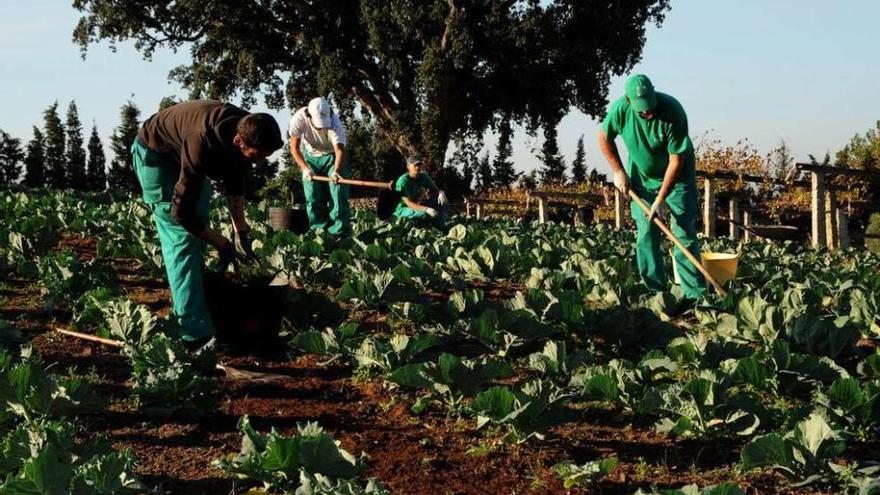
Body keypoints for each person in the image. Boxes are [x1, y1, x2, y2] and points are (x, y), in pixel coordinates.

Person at [132, 100, 284, 346]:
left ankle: (202, 302)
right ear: (239, 142)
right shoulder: (201, 141)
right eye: (257, 156)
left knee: (200, 220)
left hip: (185, 152)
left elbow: (235, 179)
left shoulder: (249, 126)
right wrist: (221, 241)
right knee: (183, 240)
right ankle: (193, 334)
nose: (261, 162)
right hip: (155, 153)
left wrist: (240, 231)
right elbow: (180, 214)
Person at [597, 74, 706, 299]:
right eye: (641, 109)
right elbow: (603, 138)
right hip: (641, 177)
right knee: (646, 232)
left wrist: (660, 199)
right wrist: (618, 171)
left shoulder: (673, 110)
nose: (647, 112)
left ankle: (695, 295)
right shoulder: (620, 110)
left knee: (683, 231)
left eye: (649, 106)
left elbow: (676, 161)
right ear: (628, 101)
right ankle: (655, 292)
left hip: (678, 176)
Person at [288, 97, 350, 236]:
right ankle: (319, 231)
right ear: (308, 116)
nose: (321, 127)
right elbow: (294, 148)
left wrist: (336, 171)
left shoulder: (335, 122)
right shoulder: (298, 119)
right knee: (313, 195)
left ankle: (339, 232)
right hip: (310, 157)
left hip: (333, 157)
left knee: (338, 192)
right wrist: (305, 168)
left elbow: (340, 150)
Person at [392, 156, 447, 227]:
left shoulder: (424, 176)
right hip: (403, 209)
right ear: (408, 166)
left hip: (418, 204)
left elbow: (435, 190)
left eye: (419, 165)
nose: (418, 167)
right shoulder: (403, 180)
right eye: (415, 165)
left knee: (440, 200)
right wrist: (427, 209)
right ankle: (413, 227)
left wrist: (441, 192)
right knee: (422, 214)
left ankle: (441, 228)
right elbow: (409, 204)